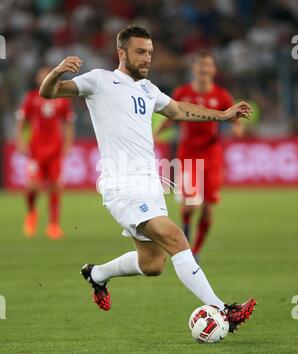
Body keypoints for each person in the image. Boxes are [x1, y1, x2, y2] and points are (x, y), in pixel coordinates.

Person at [39, 26, 256, 333]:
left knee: (153, 264)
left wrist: (221, 115)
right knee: (177, 238)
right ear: (122, 53)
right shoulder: (100, 80)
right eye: (140, 52)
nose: (147, 58)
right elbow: (48, 92)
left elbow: (179, 110)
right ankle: (223, 310)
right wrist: (57, 71)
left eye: (150, 53)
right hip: (122, 184)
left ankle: (97, 274)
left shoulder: (148, 89)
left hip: (149, 184)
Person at [156, 51, 244, 261]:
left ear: (213, 70)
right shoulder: (182, 92)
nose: (204, 70)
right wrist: (158, 131)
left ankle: (196, 249)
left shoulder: (222, 96)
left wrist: (237, 129)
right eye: (200, 66)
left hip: (212, 157)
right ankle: (185, 230)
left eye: (208, 66)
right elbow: (171, 114)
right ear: (194, 69)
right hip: (188, 155)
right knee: (191, 204)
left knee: (207, 208)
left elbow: (234, 120)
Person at [16, 67, 75, 239]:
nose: (43, 77)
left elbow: (68, 123)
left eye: (47, 74)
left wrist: (68, 144)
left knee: (55, 186)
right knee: (32, 186)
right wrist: (20, 140)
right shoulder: (31, 98)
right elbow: (22, 122)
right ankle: (32, 213)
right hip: (35, 150)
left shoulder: (62, 99)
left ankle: (54, 225)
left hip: (55, 150)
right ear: (37, 78)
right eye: (41, 74)